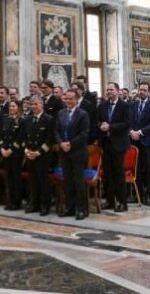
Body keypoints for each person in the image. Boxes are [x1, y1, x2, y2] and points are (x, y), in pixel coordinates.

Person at [56, 89, 90, 220]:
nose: (68, 101)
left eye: (71, 99)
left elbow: (84, 133)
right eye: (66, 98)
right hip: (64, 152)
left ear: (76, 100)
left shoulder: (83, 114)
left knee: (78, 181)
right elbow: (56, 131)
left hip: (77, 152)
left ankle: (81, 209)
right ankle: (69, 207)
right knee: (67, 181)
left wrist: (70, 143)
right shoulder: (61, 113)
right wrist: (61, 143)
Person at [99, 83, 130, 211]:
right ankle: (110, 200)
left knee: (118, 173)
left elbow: (127, 123)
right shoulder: (102, 106)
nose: (109, 91)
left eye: (111, 89)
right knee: (108, 174)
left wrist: (110, 127)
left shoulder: (125, 106)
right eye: (107, 89)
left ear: (117, 91)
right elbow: (97, 120)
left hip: (119, 144)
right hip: (106, 143)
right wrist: (101, 125)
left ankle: (122, 202)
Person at [130, 81, 150, 205]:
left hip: (147, 140)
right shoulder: (132, 105)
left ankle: (149, 195)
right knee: (136, 169)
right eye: (140, 89)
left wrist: (140, 132)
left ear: (149, 91)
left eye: (144, 90)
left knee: (148, 168)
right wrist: (131, 131)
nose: (141, 92)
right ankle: (139, 194)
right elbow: (129, 120)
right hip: (134, 141)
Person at [24, 96, 55, 215]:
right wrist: (26, 150)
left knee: (43, 181)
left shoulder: (49, 119)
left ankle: (44, 205)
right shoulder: (27, 119)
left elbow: (50, 139)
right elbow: (25, 137)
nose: (34, 107)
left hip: (42, 155)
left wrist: (38, 153)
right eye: (32, 104)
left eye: (36, 104)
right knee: (32, 181)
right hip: (30, 154)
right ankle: (34, 204)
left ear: (42, 105)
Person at [0, 100, 26, 210]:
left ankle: (17, 201)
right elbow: (1, 136)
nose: (11, 108)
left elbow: (20, 138)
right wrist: (2, 148)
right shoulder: (6, 120)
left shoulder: (21, 121)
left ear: (18, 108)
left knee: (16, 177)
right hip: (5, 152)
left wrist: (10, 150)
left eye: (14, 106)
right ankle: (9, 200)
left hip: (15, 153)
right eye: (10, 106)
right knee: (8, 177)